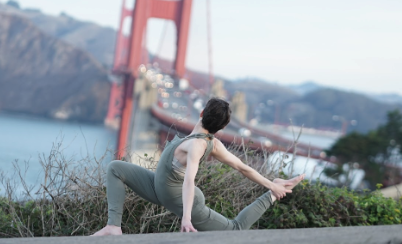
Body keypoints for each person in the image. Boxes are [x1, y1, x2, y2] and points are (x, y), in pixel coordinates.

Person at [93, 98, 304, 235]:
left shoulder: (199, 144)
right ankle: (113, 226)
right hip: (159, 189)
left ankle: (272, 196)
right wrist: (269, 182)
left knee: (235, 229)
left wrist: (186, 217)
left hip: (183, 200)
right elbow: (243, 168)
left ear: (201, 113)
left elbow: (189, 180)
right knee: (115, 168)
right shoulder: (206, 140)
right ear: (221, 127)